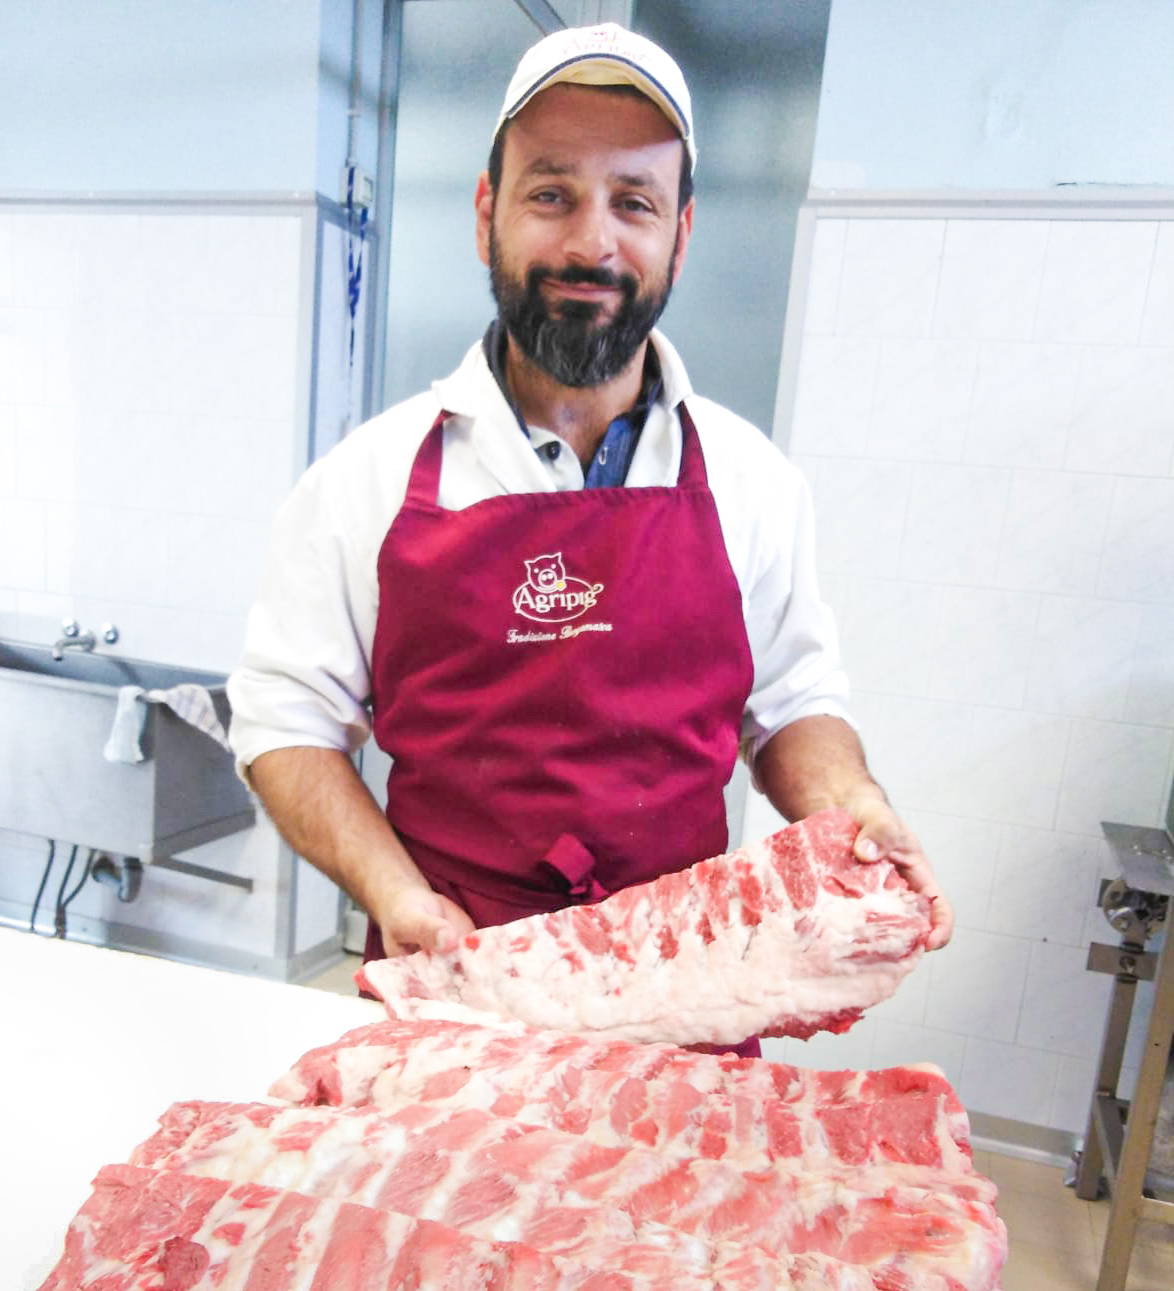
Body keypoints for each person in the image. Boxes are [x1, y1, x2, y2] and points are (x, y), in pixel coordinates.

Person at [227, 23, 953, 1041]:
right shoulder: (366, 482)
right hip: (458, 991)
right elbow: (284, 720)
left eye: (633, 203)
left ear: (680, 236)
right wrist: (395, 896)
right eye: (551, 194)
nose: (590, 244)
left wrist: (853, 805)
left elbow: (792, 705)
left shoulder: (752, 483)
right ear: (486, 214)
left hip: (689, 998)